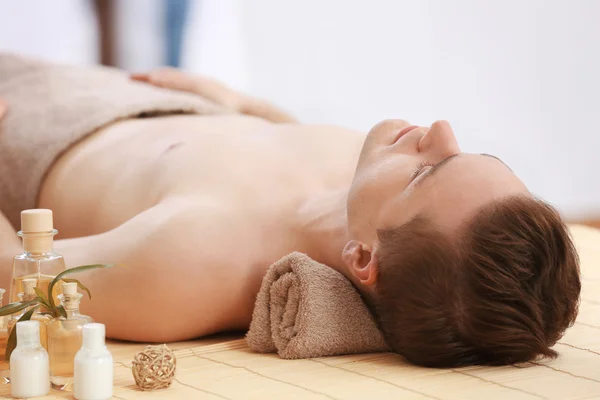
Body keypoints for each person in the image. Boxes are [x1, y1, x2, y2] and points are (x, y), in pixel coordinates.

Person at [0, 58, 580, 368]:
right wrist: (237, 104)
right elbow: (286, 139)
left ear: (362, 257)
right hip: (131, 95)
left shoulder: (196, 259)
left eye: (429, 170)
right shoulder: (366, 174)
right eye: (474, 150)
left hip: (28, 129)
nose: (441, 130)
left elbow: (14, 275)